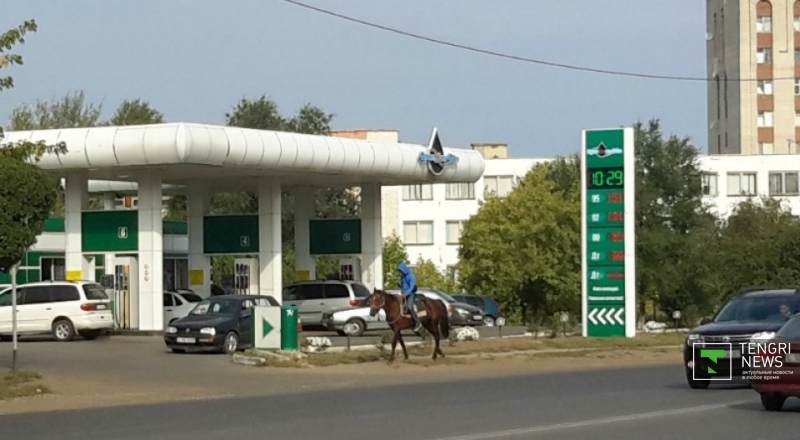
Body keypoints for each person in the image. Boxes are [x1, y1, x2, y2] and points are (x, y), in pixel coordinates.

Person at [397, 261, 422, 332]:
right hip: (403, 295)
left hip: (410, 294)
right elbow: (403, 286)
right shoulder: (402, 276)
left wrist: (405, 294)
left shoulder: (411, 276)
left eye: (401, 270)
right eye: (399, 271)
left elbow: (411, 287)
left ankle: (418, 322)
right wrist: (401, 288)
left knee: (409, 306)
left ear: (404, 269)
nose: (400, 272)